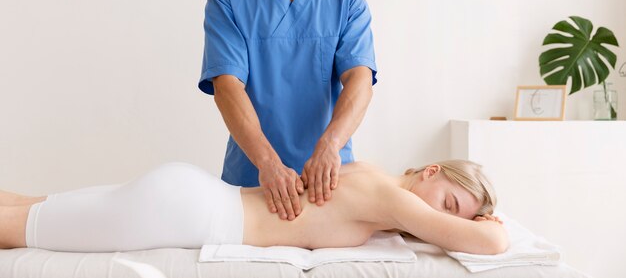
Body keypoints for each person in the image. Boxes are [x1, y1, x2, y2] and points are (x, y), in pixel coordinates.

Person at [198, 0, 377, 221]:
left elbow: (360, 79)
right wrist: (268, 163)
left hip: (329, 180)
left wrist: (329, 146)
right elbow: (227, 87)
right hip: (253, 178)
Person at [0, 160, 508, 255]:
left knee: (28, 206)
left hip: (189, 196)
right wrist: (487, 224)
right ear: (432, 172)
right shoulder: (393, 199)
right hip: (187, 213)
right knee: (18, 227)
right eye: (448, 205)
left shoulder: (373, 172)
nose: (441, 219)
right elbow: (490, 243)